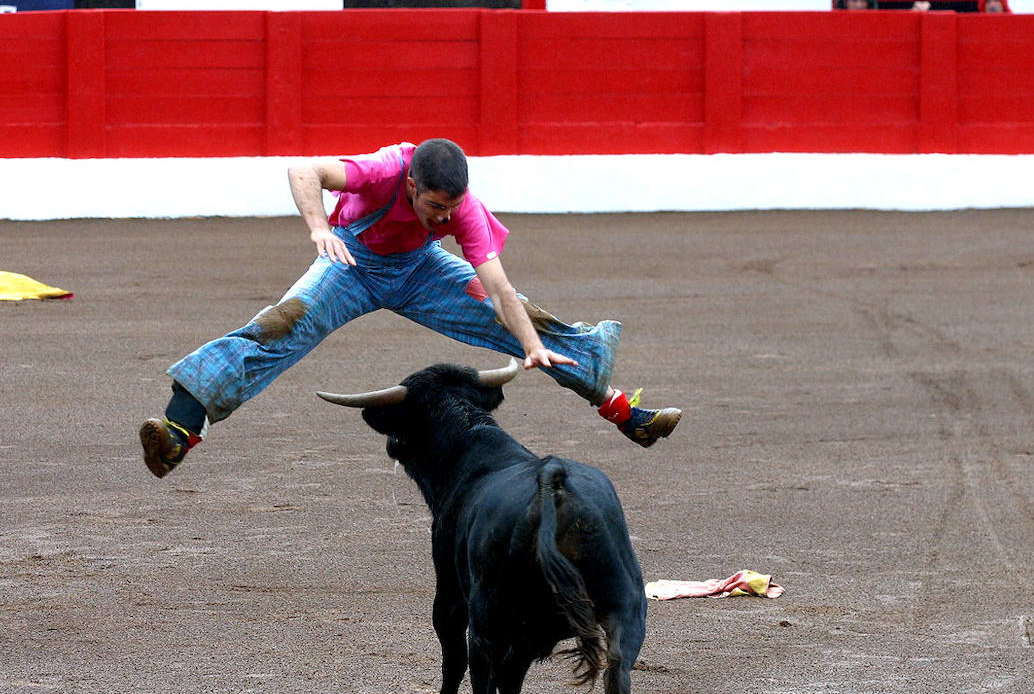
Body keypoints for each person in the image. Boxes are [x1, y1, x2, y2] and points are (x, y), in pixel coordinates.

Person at [138, 138, 682, 478]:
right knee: (280, 325)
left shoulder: (462, 211)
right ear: (412, 184)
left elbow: (497, 284)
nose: (446, 218)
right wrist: (319, 228)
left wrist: (532, 348)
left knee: (527, 320)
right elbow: (303, 169)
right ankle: (179, 431)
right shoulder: (384, 168)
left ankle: (625, 415)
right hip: (350, 260)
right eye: (434, 206)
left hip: (422, 271)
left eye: (452, 208)